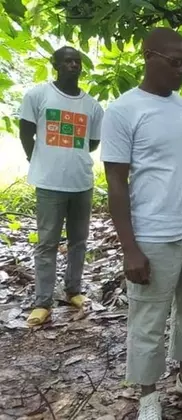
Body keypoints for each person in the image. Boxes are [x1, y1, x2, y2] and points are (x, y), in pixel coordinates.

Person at [101, 28, 182, 419]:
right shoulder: (124, 111)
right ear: (149, 57)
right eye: (176, 62)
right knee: (149, 317)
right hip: (153, 234)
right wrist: (130, 248)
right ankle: (147, 396)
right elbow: (115, 183)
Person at [18, 46, 105, 327]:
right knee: (47, 243)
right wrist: (38, 159)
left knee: (79, 240)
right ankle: (42, 302)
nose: (73, 65)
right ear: (55, 64)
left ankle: (73, 291)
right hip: (49, 183)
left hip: (81, 182)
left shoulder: (92, 105)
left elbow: (92, 143)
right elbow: (25, 131)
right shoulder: (38, 95)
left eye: (77, 61)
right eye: (67, 61)